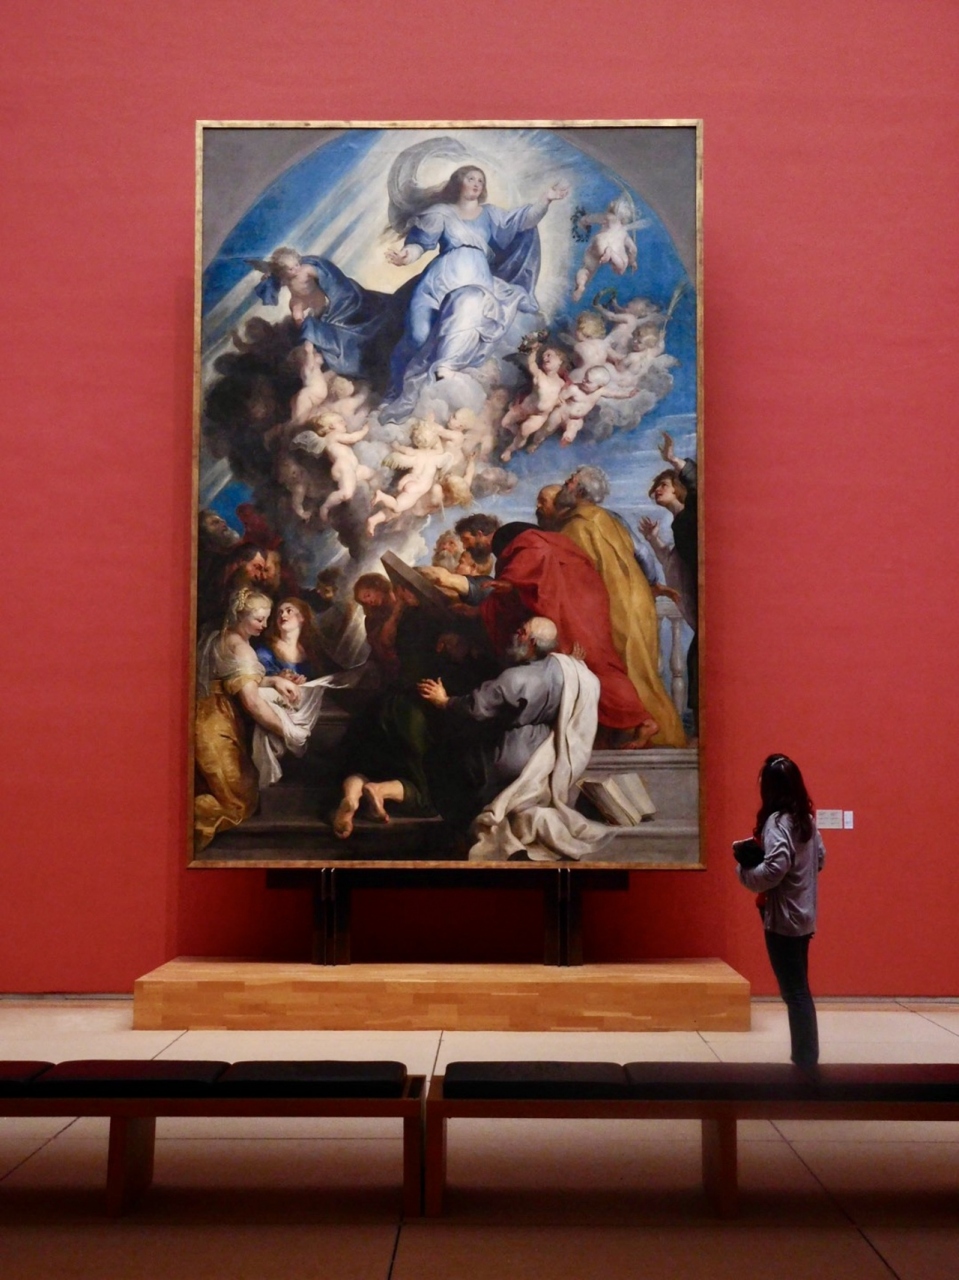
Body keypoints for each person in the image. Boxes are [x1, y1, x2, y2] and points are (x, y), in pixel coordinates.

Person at [381, 164, 570, 420]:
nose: (476, 184)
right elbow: (421, 244)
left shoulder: (490, 214)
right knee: (418, 336)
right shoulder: (441, 212)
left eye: (480, 180)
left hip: (477, 280)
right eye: (471, 178)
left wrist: (546, 199)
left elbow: (521, 220)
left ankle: (432, 393)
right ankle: (397, 389)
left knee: (462, 328)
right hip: (440, 280)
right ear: (458, 182)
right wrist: (406, 256)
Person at [419, 618, 613, 861]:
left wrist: (444, 700)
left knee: (444, 760)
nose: (515, 633)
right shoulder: (566, 669)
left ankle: (462, 835)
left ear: (532, 643)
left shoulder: (515, 679)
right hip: (542, 750)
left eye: (521, 632)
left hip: (511, 751)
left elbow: (476, 707)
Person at [554, 467, 686, 747]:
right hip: (638, 602)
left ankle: (655, 736)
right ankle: (663, 735)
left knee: (622, 676)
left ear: (580, 491)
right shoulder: (610, 518)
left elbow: (569, 581)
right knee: (642, 674)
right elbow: (643, 554)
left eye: (570, 480)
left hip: (613, 608)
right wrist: (652, 585)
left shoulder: (574, 527)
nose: (565, 483)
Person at [736, 754, 826, 1070]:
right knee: (799, 988)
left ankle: (805, 1061)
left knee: (795, 992)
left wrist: (745, 870)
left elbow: (775, 868)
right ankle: (806, 1058)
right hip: (804, 914)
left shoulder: (777, 821)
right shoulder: (806, 820)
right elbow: (819, 859)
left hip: (783, 916)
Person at [193, 590, 302, 849]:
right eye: (259, 619)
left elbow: (233, 678)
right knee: (239, 801)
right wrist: (289, 732)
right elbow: (253, 703)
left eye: (266, 619)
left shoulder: (220, 636)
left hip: (205, 717)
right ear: (239, 616)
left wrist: (273, 680)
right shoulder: (242, 648)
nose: (264, 625)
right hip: (215, 726)